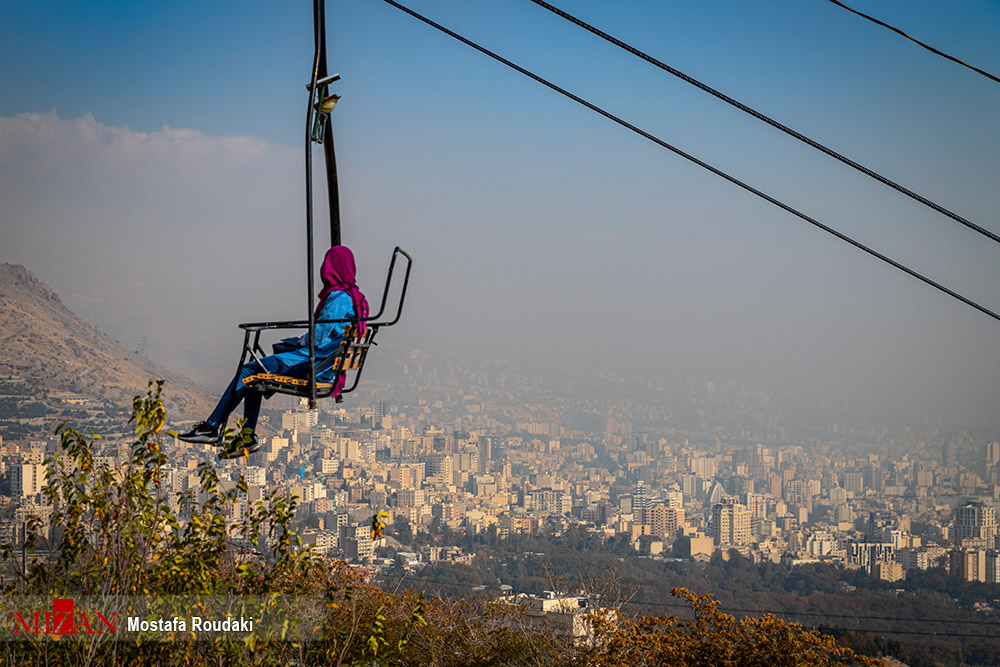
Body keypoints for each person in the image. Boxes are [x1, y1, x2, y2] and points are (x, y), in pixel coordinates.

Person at [178, 246, 369, 459]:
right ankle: (246, 437)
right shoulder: (355, 297)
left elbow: (319, 336)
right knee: (256, 377)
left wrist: (299, 341)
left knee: (248, 370)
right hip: (326, 365)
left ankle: (212, 427)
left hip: (315, 364)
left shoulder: (339, 297)